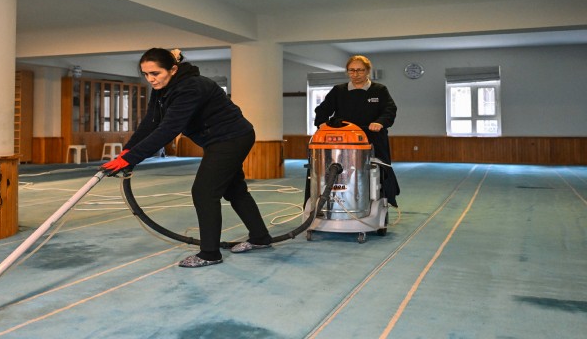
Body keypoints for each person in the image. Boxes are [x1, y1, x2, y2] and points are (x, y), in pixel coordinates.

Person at [101, 48, 272, 268]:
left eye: (155, 73)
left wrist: (132, 158)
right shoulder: (162, 89)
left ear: (173, 69)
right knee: (233, 189)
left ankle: (210, 254)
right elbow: (151, 122)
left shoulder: (192, 87)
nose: (150, 79)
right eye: (146, 74)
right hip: (217, 140)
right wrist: (128, 152)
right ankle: (260, 238)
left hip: (232, 138)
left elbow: (169, 128)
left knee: (204, 192)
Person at [313, 55, 400, 207]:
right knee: (341, 172)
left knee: (378, 172)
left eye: (360, 70)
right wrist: (321, 123)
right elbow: (323, 109)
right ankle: (338, 202)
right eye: (352, 70)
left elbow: (389, 110)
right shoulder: (339, 91)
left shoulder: (379, 90)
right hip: (344, 141)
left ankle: (379, 201)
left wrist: (379, 123)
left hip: (372, 138)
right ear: (347, 72)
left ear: (367, 71)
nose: (355, 74)